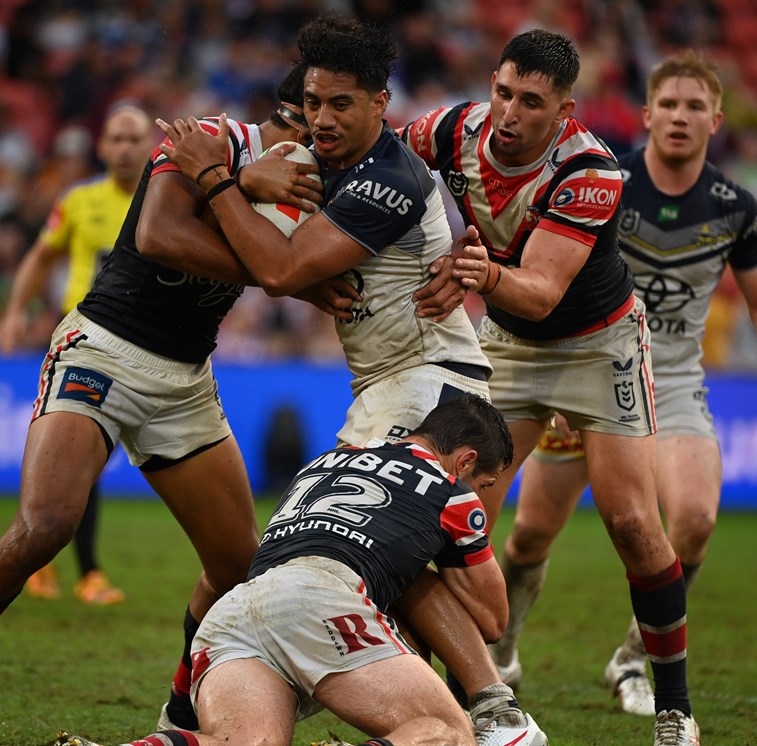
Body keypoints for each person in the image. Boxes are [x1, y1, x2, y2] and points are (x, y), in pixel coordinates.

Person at [154, 14, 546, 745]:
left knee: (367, 543)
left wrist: (214, 178)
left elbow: (276, 267)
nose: (320, 120)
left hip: (432, 380)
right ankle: (467, 709)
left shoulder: (389, 176)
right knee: (380, 555)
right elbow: (255, 253)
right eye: (312, 103)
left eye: (340, 104)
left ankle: (493, 710)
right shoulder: (328, 159)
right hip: (387, 383)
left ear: (378, 102)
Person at [486, 48, 757, 719]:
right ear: (647, 114)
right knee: (529, 537)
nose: (679, 116)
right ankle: (503, 650)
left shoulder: (734, 208)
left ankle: (634, 659)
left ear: (716, 120)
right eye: (668, 103)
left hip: (670, 378)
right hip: (582, 360)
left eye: (695, 105)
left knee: (691, 520)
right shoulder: (602, 177)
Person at [0, 65, 324, 735]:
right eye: (304, 122)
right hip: (105, 349)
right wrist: (249, 221)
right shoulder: (206, 139)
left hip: (186, 382)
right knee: (44, 528)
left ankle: (180, 716)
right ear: (284, 113)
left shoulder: (314, 181)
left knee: (239, 566)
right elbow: (158, 236)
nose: (315, 143)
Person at [402, 29, 701, 744]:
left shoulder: (591, 170)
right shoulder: (450, 127)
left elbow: (539, 291)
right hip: (507, 342)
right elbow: (377, 164)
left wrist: (472, 272)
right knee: (458, 515)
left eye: (531, 102)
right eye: (503, 91)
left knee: (632, 523)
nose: (509, 112)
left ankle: (675, 711)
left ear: (564, 110)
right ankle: (468, 707)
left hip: (598, 345)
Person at [54, 394, 534, 746]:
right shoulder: (453, 493)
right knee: (449, 733)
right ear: (466, 459)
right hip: (323, 601)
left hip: (239, 606)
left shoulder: (325, 461)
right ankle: (494, 707)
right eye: (484, 480)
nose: (481, 490)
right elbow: (493, 619)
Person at [0, 103, 153, 605]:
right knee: (80, 460)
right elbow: (41, 255)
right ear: (103, 147)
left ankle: (44, 562)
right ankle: (84, 571)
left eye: (134, 139)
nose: (126, 148)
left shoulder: (163, 200)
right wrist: (16, 310)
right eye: (117, 138)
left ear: (150, 144)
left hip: (149, 346)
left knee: (80, 465)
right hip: (84, 343)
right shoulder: (80, 201)